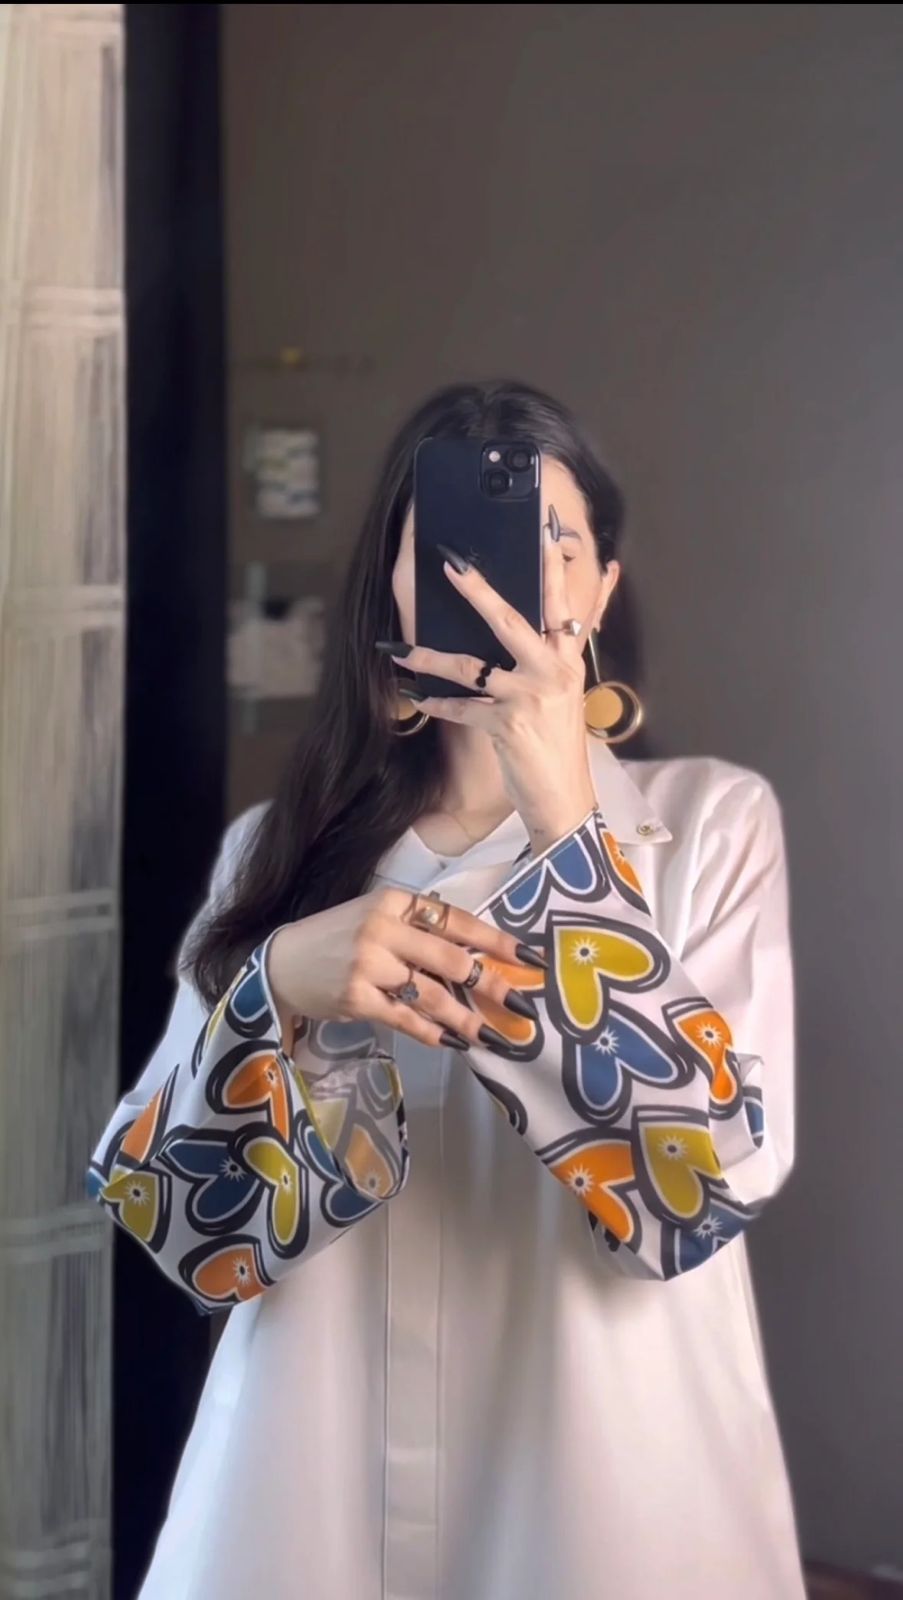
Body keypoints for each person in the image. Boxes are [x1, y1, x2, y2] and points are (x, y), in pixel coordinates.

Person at [89, 381, 805, 1599]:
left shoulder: (711, 825)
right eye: (456, 546)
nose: (504, 577)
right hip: (303, 1478)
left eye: (552, 541)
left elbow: (698, 1189)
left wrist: (566, 818)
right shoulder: (272, 851)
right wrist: (276, 991)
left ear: (598, 591)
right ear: (397, 586)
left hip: (602, 1484)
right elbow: (187, 1234)